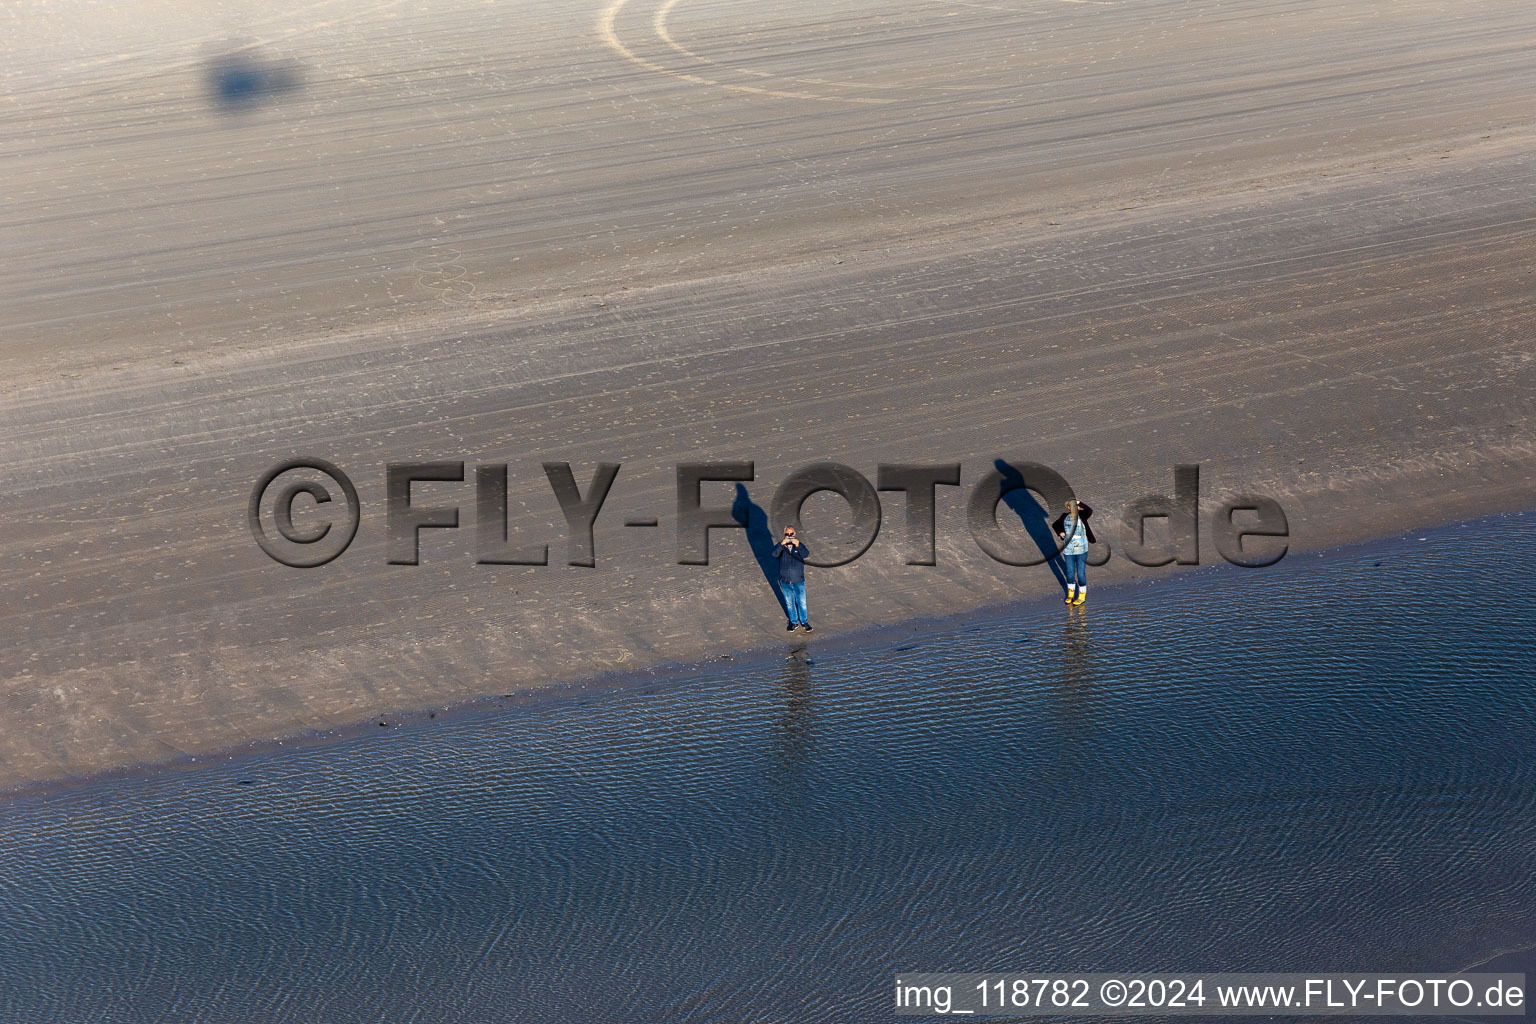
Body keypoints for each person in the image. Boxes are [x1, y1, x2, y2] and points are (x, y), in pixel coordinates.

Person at [1052, 498, 1095, 605]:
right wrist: (1060, 532)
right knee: (1070, 573)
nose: (1074, 508)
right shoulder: (1064, 517)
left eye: (1076, 507)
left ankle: (1081, 596)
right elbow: (1055, 525)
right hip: (1068, 550)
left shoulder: (1083, 515)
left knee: (1081, 573)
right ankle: (1070, 595)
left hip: (1082, 550)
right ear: (1068, 508)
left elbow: (1089, 510)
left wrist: (1079, 502)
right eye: (1072, 506)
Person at [772, 525, 812, 632]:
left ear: (794, 534)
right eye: (787, 534)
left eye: (791, 534)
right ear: (784, 535)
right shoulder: (781, 547)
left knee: (802, 602)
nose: (789, 536)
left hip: (798, 580)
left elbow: (806, 554)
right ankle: (793, 622)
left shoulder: (798, 546)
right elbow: (774, 554)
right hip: (785, 581)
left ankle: (804, 622)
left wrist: (798, 544)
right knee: (790, 603)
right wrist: (781, 544)